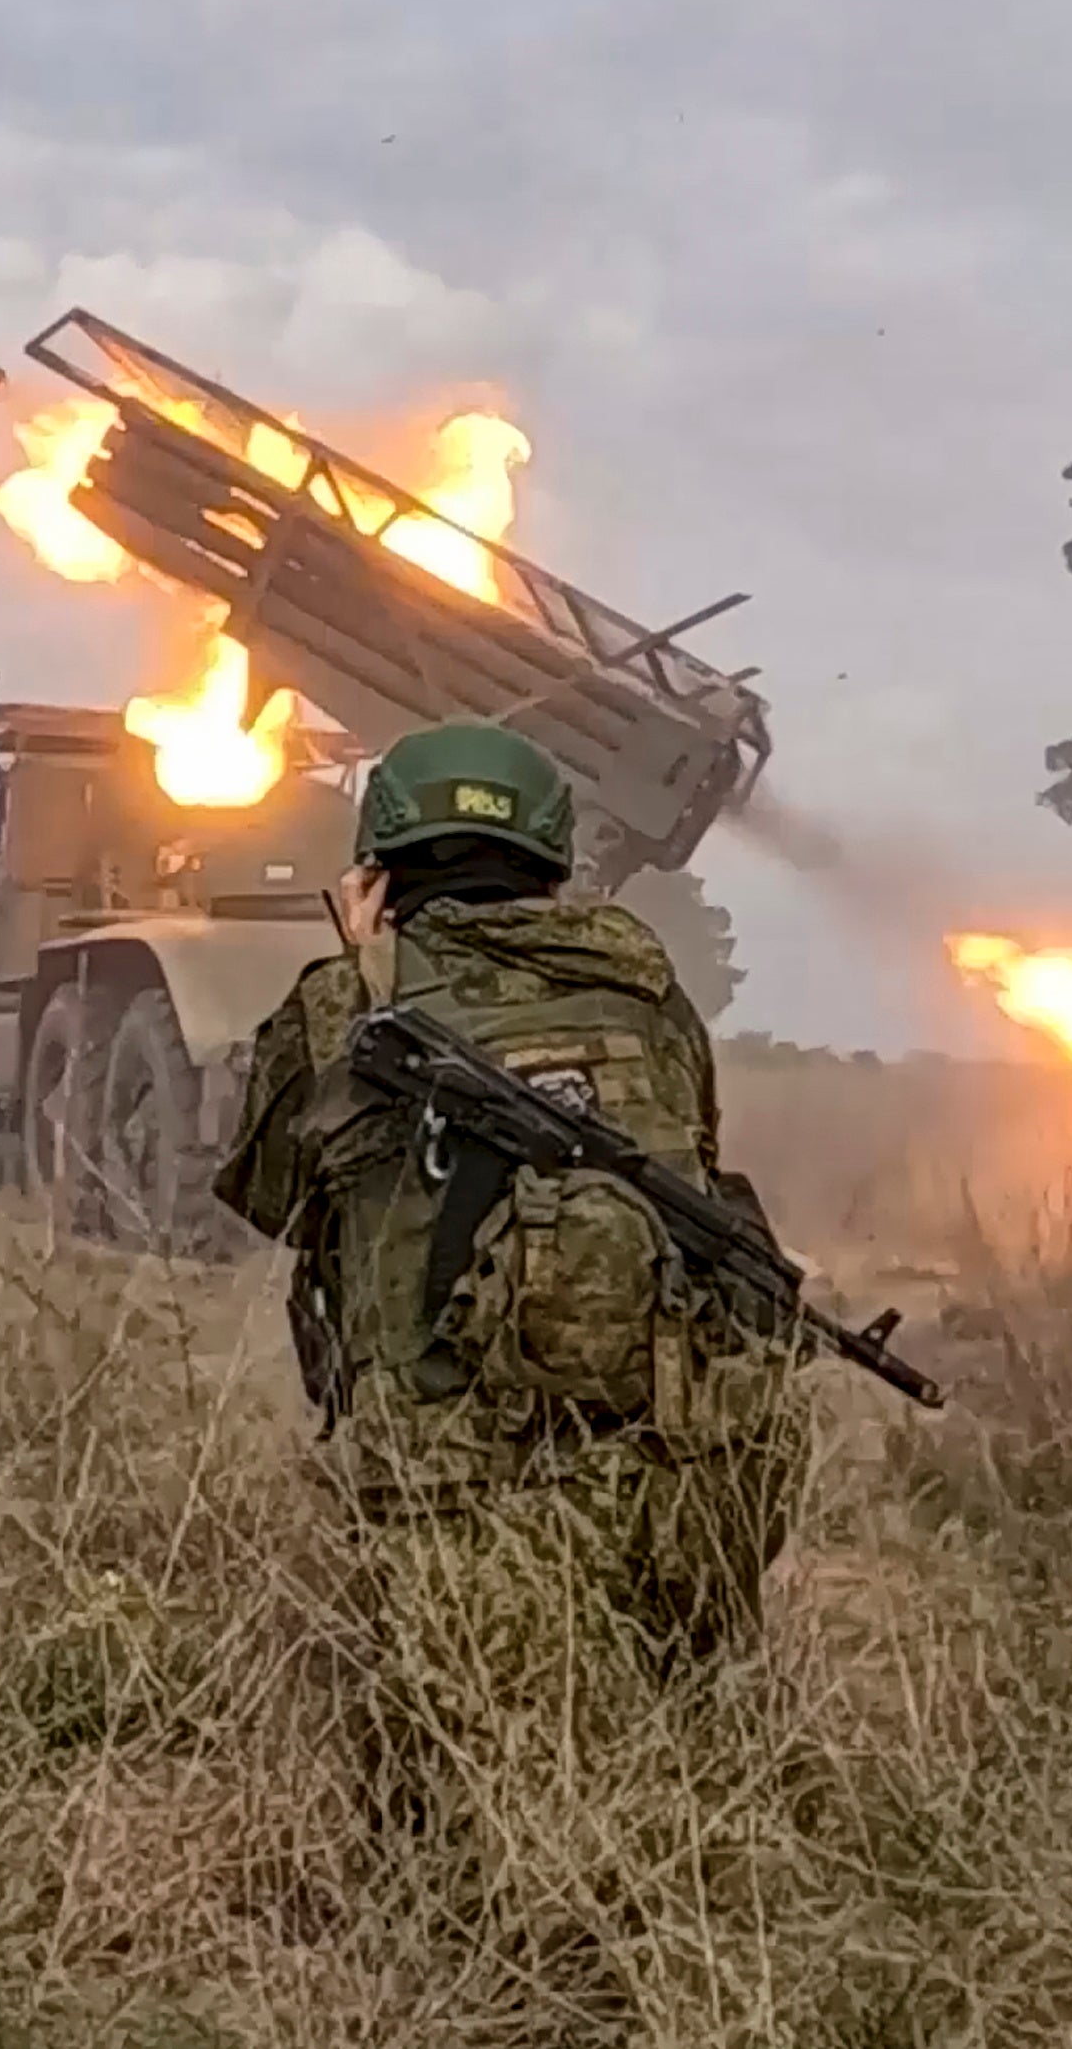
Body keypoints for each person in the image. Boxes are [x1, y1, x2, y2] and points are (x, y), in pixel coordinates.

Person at [210, 717, 806, 1854]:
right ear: (551, 855)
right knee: (640, 1764)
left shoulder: (347, 1006)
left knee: (455, 1808)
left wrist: (358, 968)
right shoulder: (647, 995)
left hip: (442, 1490)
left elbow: (270, 1189)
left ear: (378, 866)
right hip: (663, 1475)